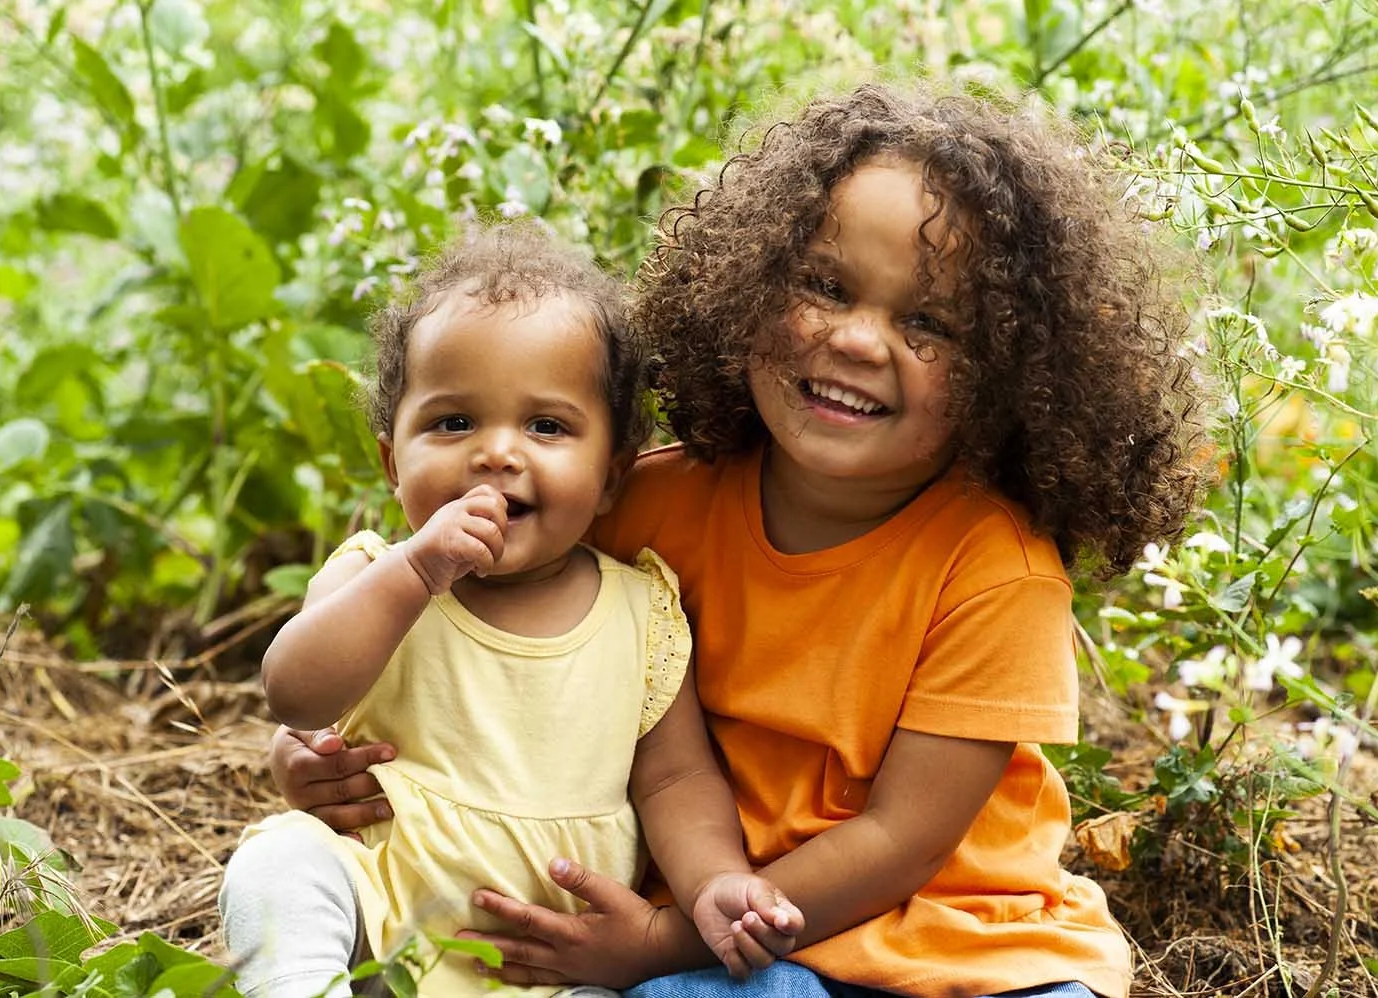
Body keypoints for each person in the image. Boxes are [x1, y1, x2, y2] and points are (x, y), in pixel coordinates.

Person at [267, 83, 1206, 997]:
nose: (859, 340)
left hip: (964, 948)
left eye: (927, 322)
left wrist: (656, 941)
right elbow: (449, 650)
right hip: (735, 947)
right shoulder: (645, 504)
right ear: (749, 286)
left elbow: (903, 841)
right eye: (826, 287)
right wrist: (313, 757)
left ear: (1008, 371)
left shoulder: (997, 571)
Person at [219, 223, 803, 998]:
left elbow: (675, 785)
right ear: (394, 462)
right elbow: (295, 692)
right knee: (277, 864)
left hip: (545, 961)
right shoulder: (373, 576)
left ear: (611, 478)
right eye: (453, 422)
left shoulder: (640, 614)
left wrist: (713, 885)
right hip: (375, 905)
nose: (497, 453)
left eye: (547, 426)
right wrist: (417, 569)